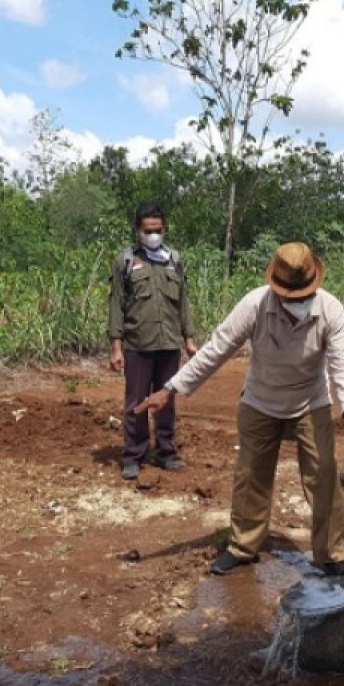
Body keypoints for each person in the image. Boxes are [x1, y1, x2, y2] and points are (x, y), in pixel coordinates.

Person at [136, 242, 344, 576]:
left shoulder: (331, 310)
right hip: (261, 399)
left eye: (302, 295)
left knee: (323, 477)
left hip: (310, 400)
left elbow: (341, 366)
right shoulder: (255, 304)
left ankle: (330, 552)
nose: (296, 302)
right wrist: (171, 388)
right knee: (251, 476)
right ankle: (243, 545)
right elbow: (217, 349)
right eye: (289, 296)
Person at [108, 203, 198, 480]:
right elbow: (116, 305)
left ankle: (166, 451)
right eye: (148, 231)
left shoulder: (174, 259)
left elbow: (183, 301)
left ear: (165, 228)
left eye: (158, 230)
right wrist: (116, 346)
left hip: (169, 343)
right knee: (136, 401)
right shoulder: (126, 261)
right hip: (137, 345)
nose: (153, 235)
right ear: (138, 230)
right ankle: (133, 454)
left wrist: (189, 338)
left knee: (166, 399)